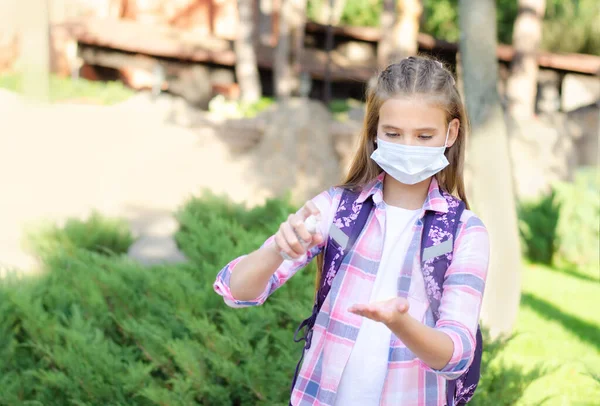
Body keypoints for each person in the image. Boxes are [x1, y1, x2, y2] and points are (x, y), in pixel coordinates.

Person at [213, 56, 490, 406]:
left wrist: (399, 324)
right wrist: (275, 251)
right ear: (374, 131)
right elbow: (237, 292)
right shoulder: (335, 210)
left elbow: (457, 356)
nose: (408, 147)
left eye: (424, 136)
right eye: (393, 134)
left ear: (450, 133)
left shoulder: (465, 233)